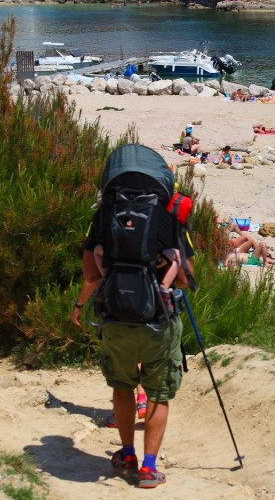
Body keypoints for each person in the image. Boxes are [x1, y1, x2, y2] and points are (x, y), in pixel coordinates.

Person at [73, 198, 189, 489]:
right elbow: (186, 280)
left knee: (122, 387)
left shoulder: (106, 216)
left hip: (116, 320)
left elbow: (90, 273)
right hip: (159, 322)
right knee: (158, 393)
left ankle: (127, 455)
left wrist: (107, 276)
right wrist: (164, 282)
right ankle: (149, 468)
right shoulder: (170, 218)